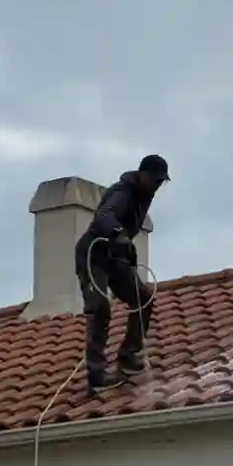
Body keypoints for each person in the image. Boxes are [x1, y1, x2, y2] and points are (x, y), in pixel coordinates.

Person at [77, 154, 169, 388]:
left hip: (115, 257)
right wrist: (117, 233)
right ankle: (96, 374)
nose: (157, 186)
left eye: (161, 182)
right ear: (142, 175)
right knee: (100, 307)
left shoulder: (144, 197)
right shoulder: (123, 192)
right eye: (155, 181)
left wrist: (128, 255)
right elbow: (104, 216)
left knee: (144, 298)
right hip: (94, 255)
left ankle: (129, 356)